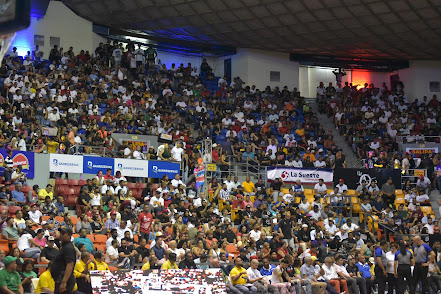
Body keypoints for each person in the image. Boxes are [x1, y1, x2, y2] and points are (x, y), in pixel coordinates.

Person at [50, 227, 76, 294]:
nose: (61, 235)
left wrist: (64, 282)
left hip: (64, 279)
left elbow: (70, 265)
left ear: (69, 235)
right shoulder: (64, 246)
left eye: (64, 233)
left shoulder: (68, 248)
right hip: (60, 278)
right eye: (61, 233)